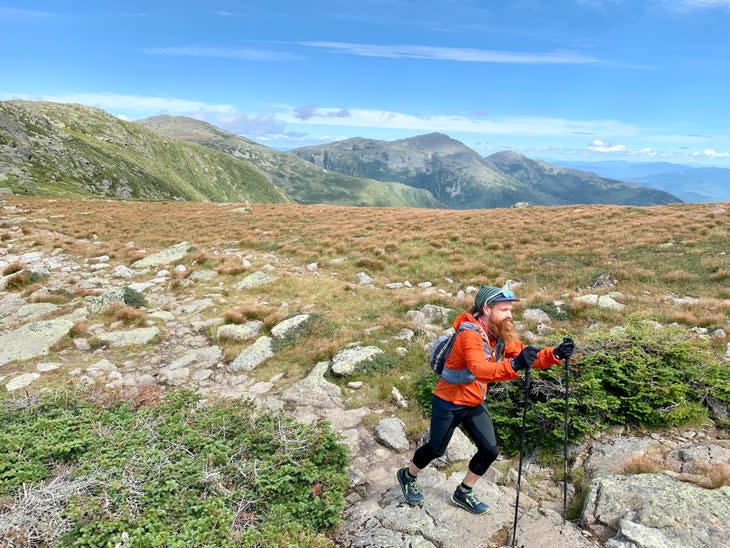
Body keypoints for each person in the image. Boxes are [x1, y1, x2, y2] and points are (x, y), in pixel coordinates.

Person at [396, 285, 574, 514]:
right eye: (504, 309)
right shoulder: (469, 335)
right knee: (435, 449)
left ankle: (463, 491)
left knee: (489, 451)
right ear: (486, 309)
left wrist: (555, 353)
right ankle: (408, 475)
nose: (510, 314)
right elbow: (480, 369)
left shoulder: (498, 332)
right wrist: (515, 365)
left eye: (511, 309)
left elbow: (524, 355)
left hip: (473, 402)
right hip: (448, 402)